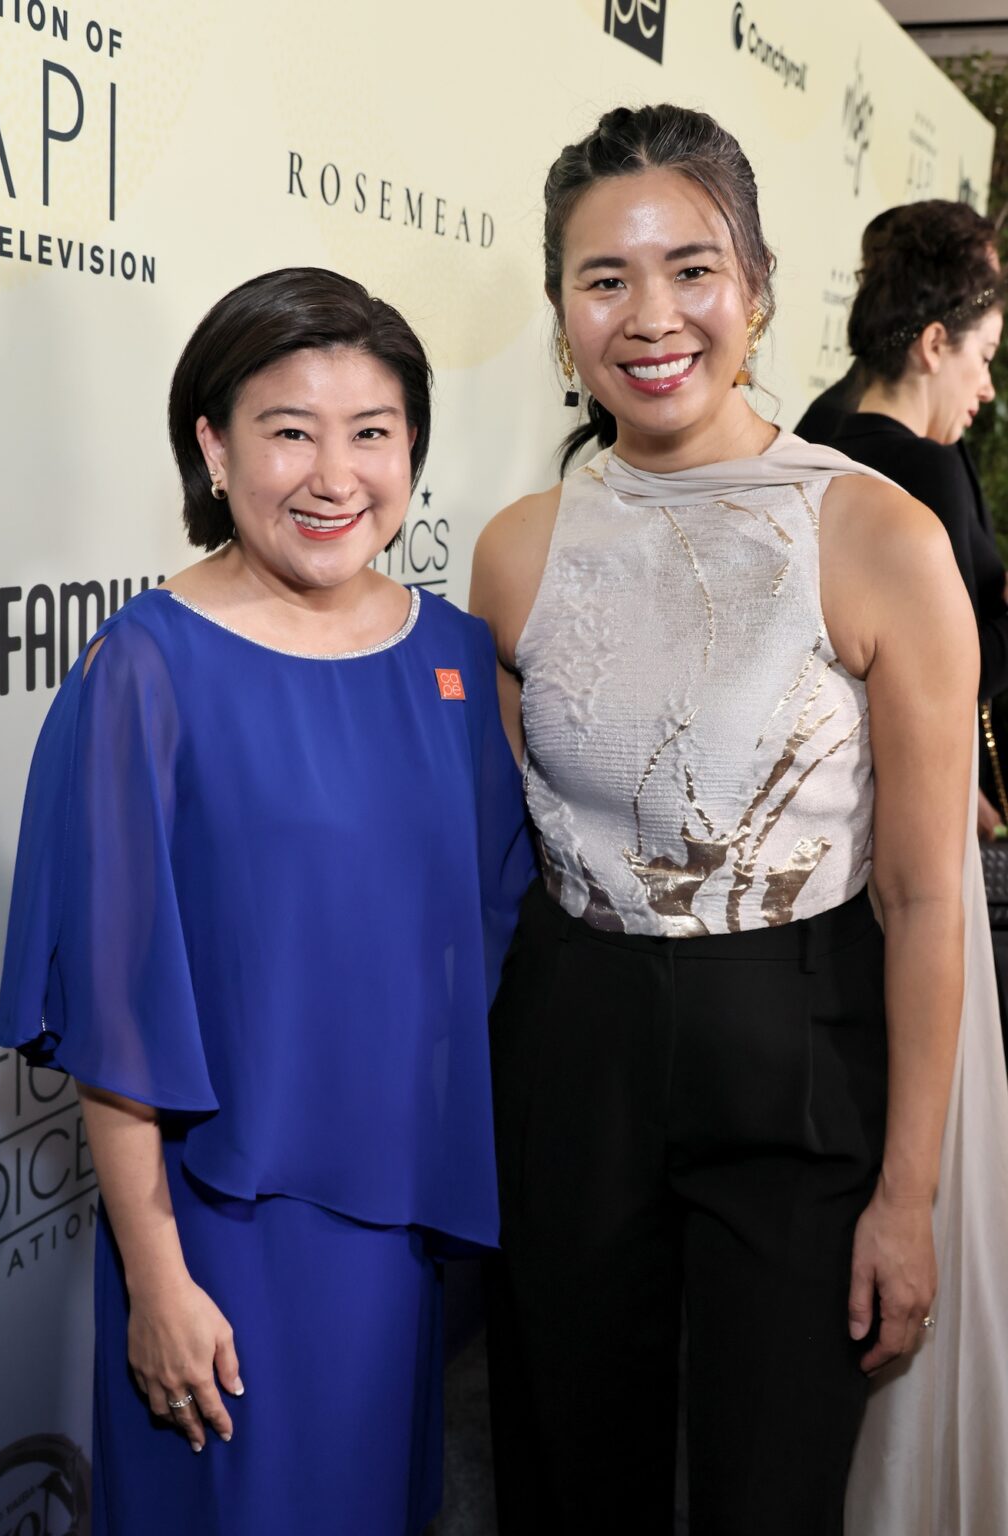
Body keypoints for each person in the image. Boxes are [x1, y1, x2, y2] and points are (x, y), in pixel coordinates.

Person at [471, 104, 1008, 1536]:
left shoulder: (877, 531)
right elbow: (524, 836)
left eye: (692, 267)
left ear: (759, 286)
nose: (652, 317)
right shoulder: (519, 551)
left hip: (802, 1046)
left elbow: (926, 898)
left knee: (775, 1486)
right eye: (605, 278)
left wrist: (908, 1197)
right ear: (559, 308)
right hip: (572, 1039)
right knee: (571, 1468)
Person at [0, 267, 533, 1536]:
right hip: (220, 1235)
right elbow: (115, 1012)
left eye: (372, 433)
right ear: (213, 447)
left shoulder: (452, 656)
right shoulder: (146, 671)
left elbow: (495, 930)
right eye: (289, 431)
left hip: (399, 1231)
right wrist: (157, 1275)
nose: (334, 476)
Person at [798, 201, 1008, 840]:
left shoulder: (825, 436)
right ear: (935, 341)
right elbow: (948, 672)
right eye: (987, 354)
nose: (989, 386)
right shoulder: (919, 464)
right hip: (908, 816)